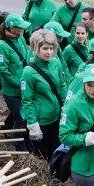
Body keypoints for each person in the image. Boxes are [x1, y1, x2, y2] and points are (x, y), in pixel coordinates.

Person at [21, 29, 67, 161]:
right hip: (41, 120)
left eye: (51, 48)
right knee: (42, 153)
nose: (49, 52)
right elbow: (27, 100)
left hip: (57, 116)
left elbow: (62, 86)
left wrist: (66, 106)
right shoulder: (28, 72)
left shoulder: (56, 63)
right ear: (36, 48)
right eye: (45, 48)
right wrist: (32, 123)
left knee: (57, 148)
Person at [0, 13, 33, 153]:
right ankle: (20, 147)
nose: (23, 29)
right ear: (12, 28)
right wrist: (20, 84)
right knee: (20, 119)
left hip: (25, 87)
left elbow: (27, 56)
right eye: (20, 27)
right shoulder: (2, 45)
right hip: (12, 91)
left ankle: (28, 143)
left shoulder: (21, 38)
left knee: (26, 116)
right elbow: (4, 71)